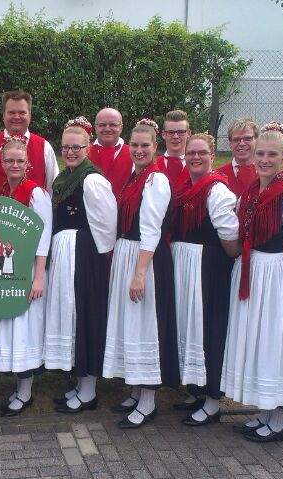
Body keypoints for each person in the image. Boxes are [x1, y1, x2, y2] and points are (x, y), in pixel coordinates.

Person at [221, 122, 283, 443]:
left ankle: (280, 421)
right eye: (260, 153)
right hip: (252, 274)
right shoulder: (251, 192)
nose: (264, 160)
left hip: (277, 279)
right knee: (260, 343)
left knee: (277, 344)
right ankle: (266, 413)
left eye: (272, 154)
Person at [102, 119, 176, 428]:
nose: (139, 150)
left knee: (145, 327)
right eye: (134, 145)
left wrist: (139, 273)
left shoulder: (156, 180)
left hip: (145, 258)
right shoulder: (137, 177)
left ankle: (148, 402)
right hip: (128, 253)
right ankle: (135, 391)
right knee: (131, 326)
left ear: (155, 147)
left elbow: (151, 229)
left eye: (145, 145)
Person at [44, 117, 117, 414]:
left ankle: (89, 391)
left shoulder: (92, 180)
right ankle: (79, 383)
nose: (70, 152)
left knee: (84, 316)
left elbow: (107, 224)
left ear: (88, 148)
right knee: (70, 315)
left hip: (84, 255)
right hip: (65, 255)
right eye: (66, 147)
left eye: (76, 147)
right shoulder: (63, 178)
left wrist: (94, 261)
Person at [170, 133, 240, 426]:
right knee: (189, 329)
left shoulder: (217, 190)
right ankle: (195, 390)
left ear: (213, 156)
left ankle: (212, 401)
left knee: (208, 330)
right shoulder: (185, 187)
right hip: (185, 267)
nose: (195, 158)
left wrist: (218, 262)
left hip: (207, 269)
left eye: (202, 153)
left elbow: (230, 236)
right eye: (191, 153)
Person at [0, 135, 52, 417]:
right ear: (2, 162)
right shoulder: (3, 190)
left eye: (20, 160)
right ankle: (18, 385)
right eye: (9, 160)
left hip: (29, 269)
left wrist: (38, 277)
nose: (14, 165)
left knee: (26, 330)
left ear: (28, 163)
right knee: (13, 328)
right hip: (10, 267)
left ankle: (26, 391)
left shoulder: (36, 193)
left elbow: (43, 237)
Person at [0, 90, 58, 194]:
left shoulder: (45, 147)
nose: (16, 117)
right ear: (3, 115)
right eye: (11, 112)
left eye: (22, 113)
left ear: (30, 115)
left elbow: (53, 188)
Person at [88, 107, 132, 195]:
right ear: (95, 127)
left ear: (121, 127)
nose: (107, 129)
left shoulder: (133, 153)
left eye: (113, 125)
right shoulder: (84, 151)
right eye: (102, 125)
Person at [215, 117, 259, 197]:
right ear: (230, 144)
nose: (242, 143)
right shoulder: (218, 176)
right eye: (236, 139)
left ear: (257, 141)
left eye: (248, 138)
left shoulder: (268, 174)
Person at [156, 110, 191, 189]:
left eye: (181, 132)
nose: (175, 136)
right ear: (163, 134)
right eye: (171, 132)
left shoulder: (196, 164)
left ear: (188, 133)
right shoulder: (154, 165)